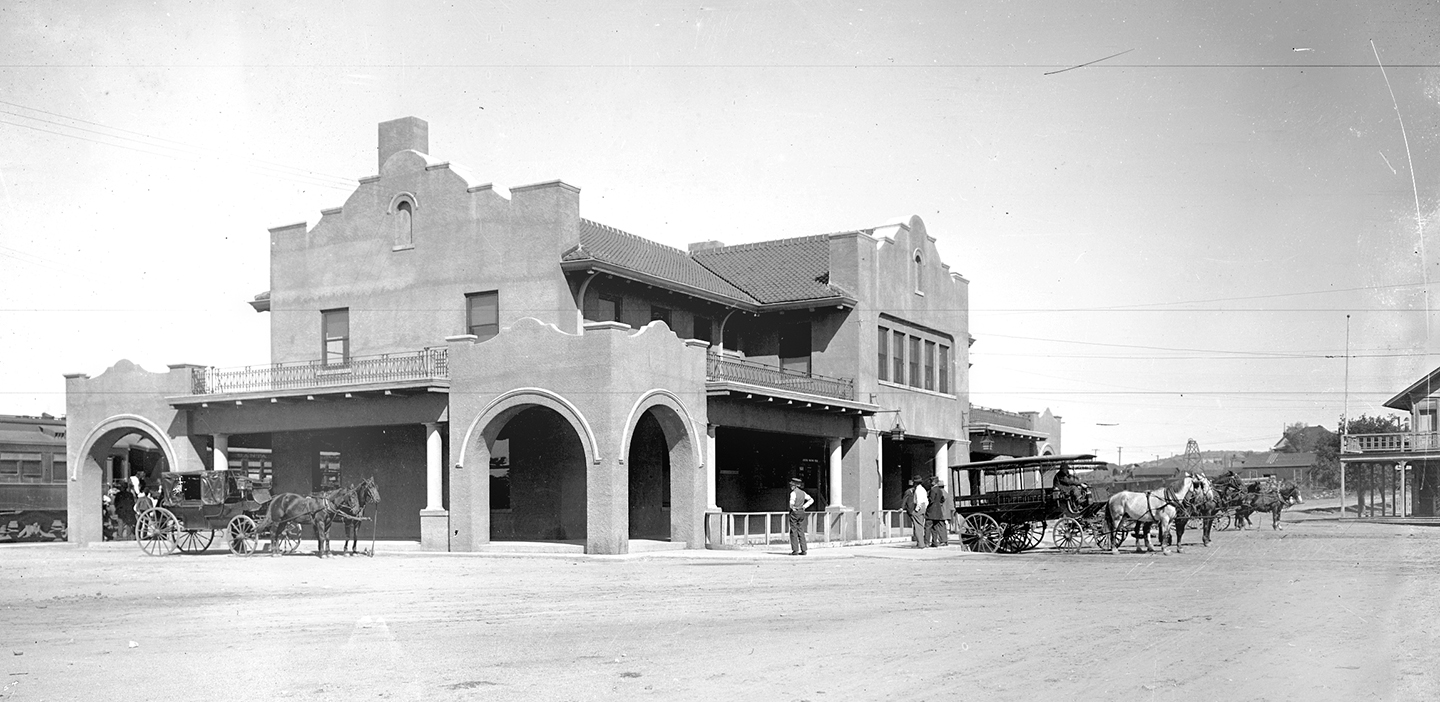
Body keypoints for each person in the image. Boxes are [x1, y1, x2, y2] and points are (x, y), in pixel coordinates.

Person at [786, 477, 814, 556]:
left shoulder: (793, 493)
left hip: (795, 513)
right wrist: (804, 506)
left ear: (794, 486)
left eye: (792, 485)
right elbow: (811, 500)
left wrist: (793, 508)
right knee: (801, 530)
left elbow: (791, 503)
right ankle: (804, 550)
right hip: (802, 512)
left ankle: (795, 550)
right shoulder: (803, 493)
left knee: (793, 531)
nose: (791, 487)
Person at [901, 477, 929, 549]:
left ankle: (920, 544)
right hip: (923, 507)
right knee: (920, 526)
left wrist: (916, 510)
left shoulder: (918, 490)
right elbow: (926, 501)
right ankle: (921, 543)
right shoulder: (923, 489)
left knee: (918, 527)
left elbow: (919, 501)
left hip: (919, 508)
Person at [925, 476, 950, 547]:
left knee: (927, 527)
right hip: (938, 512)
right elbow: (942, 499)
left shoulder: (932, 490)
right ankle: (934, 542)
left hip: (931, 511)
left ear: (933, 482)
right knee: (935, 528)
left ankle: (926, 542)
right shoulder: (940, 490)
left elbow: (931, 500)